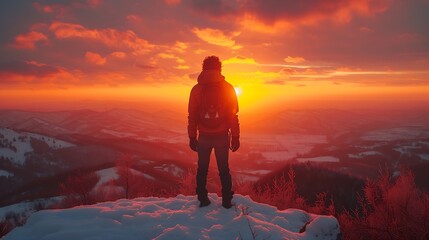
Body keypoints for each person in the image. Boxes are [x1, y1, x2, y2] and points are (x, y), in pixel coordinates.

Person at [187, 56, 240, 209]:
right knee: (224, 169)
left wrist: (192, 136)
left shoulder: (196, 89)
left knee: (202, 169)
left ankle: (202, 198)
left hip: (203, 136)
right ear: (219, 68)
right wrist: (235, 136)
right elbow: (233, 115)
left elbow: (192, 115)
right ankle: (226, 200)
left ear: (204, 68)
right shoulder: (228, 88)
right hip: (221, 136)